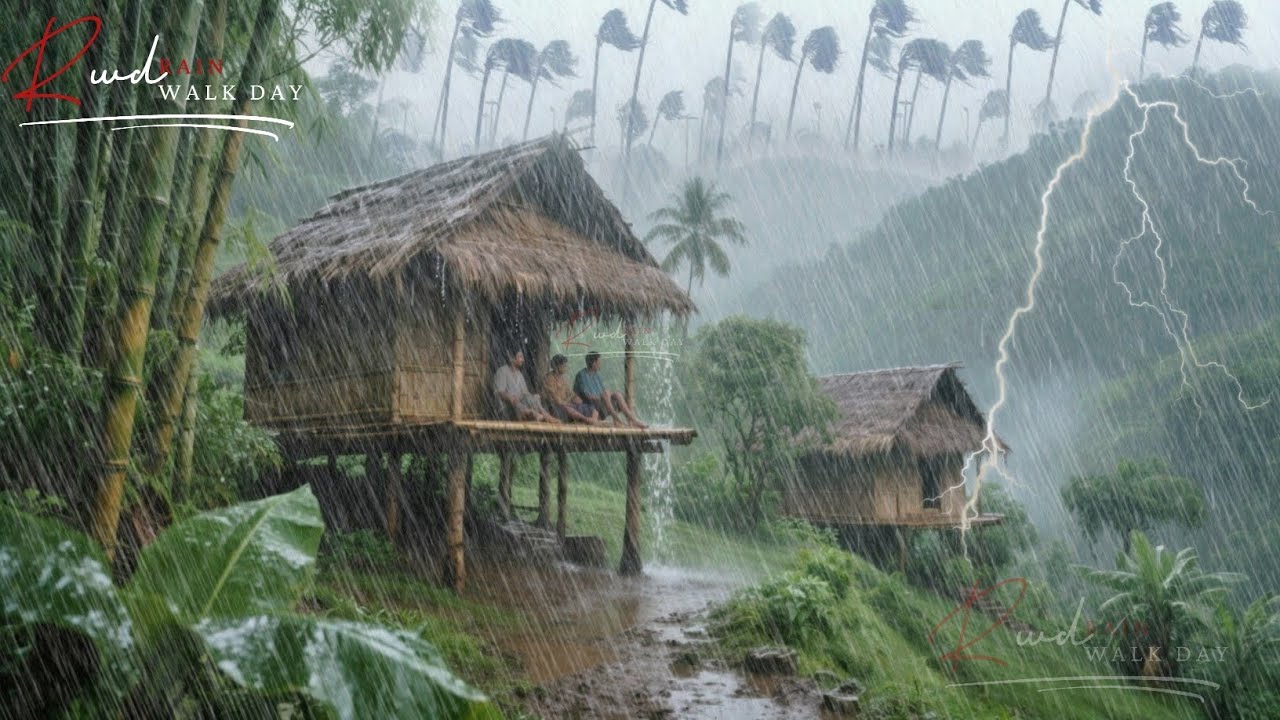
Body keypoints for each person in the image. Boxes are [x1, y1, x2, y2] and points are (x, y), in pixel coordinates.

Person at [573, 351, 647, 428]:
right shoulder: (581, 375)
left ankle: (633, 420)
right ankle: (616, 418)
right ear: (594, 363)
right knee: (606, 393)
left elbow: (603, 394)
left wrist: (605, 396)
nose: (600, 364)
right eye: (599, 362)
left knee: (617, 394)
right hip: (591, 405)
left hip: (601, 403)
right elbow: (585, 396)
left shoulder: (597, 376)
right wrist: (601, 397)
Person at [493, 350, 559, 423]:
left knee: (531, 398)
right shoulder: (502, 371)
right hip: (507, 408)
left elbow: (525, 393)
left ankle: (542, 415)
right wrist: (510, 397)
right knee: (515, 401)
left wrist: (534, 397)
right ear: (511, 358)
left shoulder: (519, 374)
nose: (523, 360)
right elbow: (499, 392)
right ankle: (535, 414)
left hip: (520, 405)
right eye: (520, 357)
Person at [544, 354, 600, 424]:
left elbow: (570, 393)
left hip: (568, 404)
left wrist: (576, 398)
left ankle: (594, 420)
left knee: (592, 409)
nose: (566, 367)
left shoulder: (563, 380)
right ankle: (585, 419)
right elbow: (556, 399)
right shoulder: (549, 379)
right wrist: (568, 403)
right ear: (557, 366)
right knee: (568, 409)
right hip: (556, 407)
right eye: (564, 366)